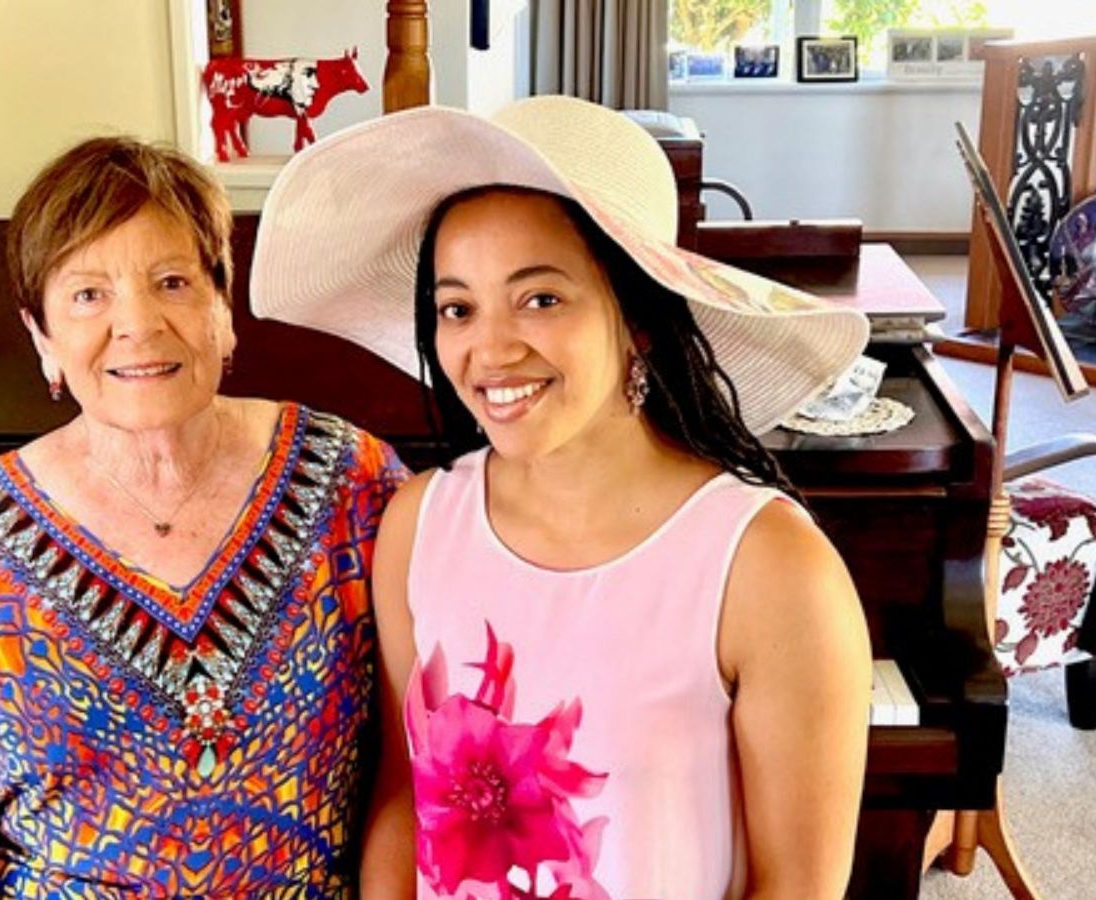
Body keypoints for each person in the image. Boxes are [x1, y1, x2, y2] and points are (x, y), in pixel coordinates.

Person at [250, 96, 874, 898]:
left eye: (540, 298)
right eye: (457, 308)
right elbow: (407, 799)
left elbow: (798, 889)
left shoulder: (769, 566)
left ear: (638, 319)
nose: (491, 349)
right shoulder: (419, 526)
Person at [0, 137, 407, 897]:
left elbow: (440, 754)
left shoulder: (352, 483)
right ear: (43, 339)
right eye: (88, 294)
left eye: (171, 281)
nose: (137, 325)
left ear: (221, 310)